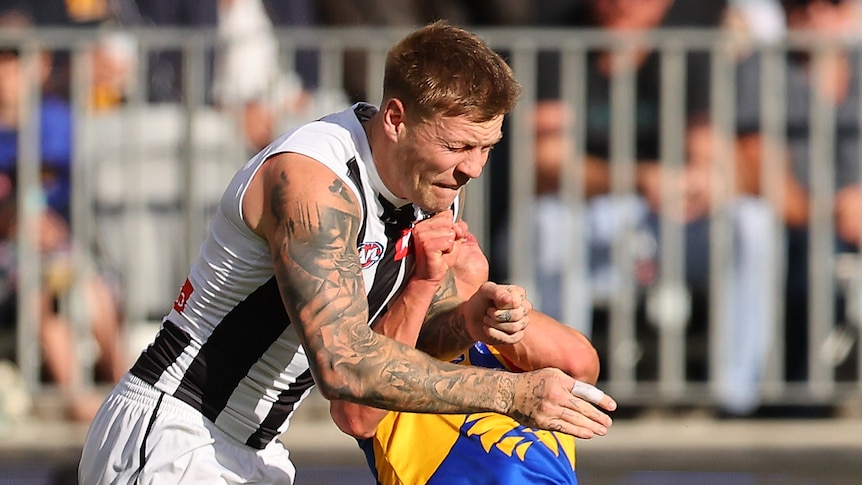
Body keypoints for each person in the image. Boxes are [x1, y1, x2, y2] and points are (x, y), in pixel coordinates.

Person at [79, 21, 616, 485]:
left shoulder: (428, 184)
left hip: (255, 447)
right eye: (457, 147)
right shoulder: (313, 184)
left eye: (486, 148)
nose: (472, 169)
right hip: (176, 433)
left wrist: (470, 320)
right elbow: (344, 366)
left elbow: (384, 376)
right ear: (396, 119)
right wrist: (511, 394)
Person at [502, 0, 777, 417]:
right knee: (549, 222)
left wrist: (705, 183)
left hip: (666, 216)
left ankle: (734, 400)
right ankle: (557, 389)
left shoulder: (687, 41)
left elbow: (711, 153)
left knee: (750, 223)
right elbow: (547, 161)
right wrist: (641, 177)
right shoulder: (560, 35)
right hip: (588, 210)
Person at [330, 214, 610, 484]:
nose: (460, 228)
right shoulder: (390, 336)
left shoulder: (503, 341)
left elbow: (580, 364)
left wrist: (474, 303)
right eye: (438, 232)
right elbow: (356, 417)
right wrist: (425, 281)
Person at [0, 5, 127, 422]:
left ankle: (125, 388)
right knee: (44, 293)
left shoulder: (56, 120)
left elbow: (67, 199)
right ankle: (79, 401)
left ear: (40, 64)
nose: (6, 70)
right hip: (11, 257)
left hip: (60, 248)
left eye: (16, 57)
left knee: (94, 290)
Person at [735, 0, 862, 387]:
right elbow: (763, 171)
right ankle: (798, 394)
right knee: (806, 266)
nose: (815, 14)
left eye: (831, 3)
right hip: (799, 226)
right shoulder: (762, 69)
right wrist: (834, 212)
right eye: (800, 4)